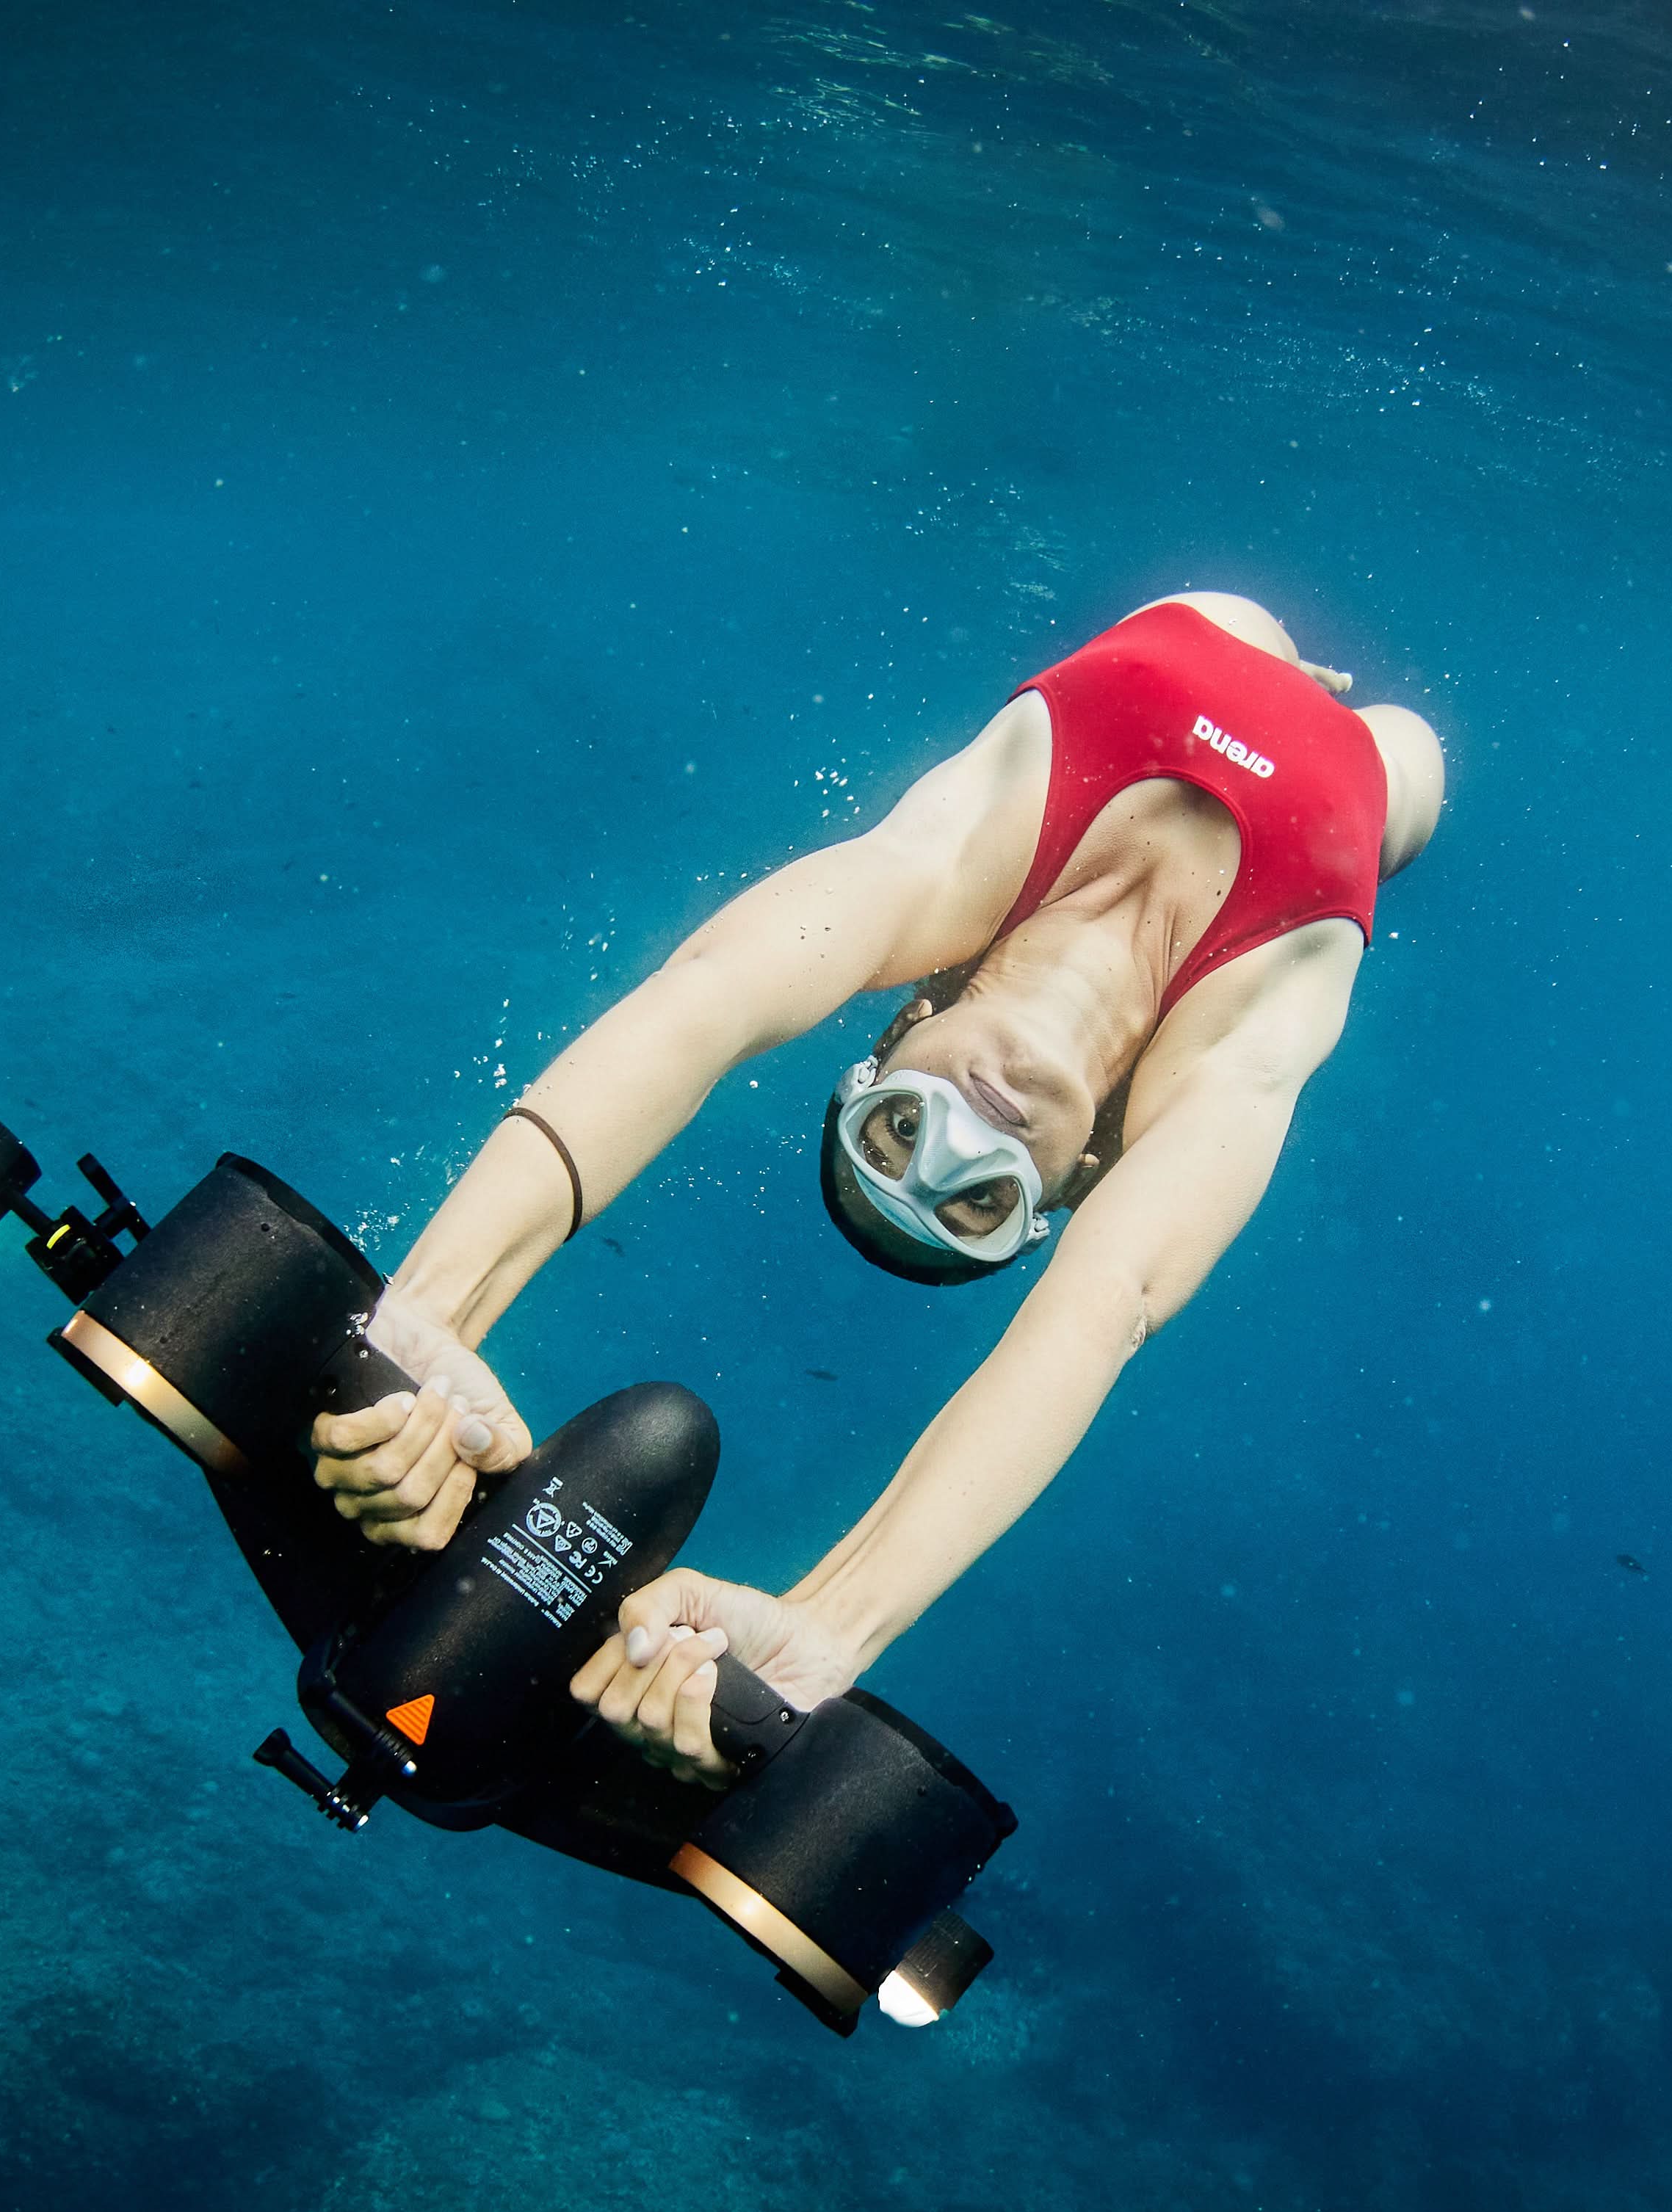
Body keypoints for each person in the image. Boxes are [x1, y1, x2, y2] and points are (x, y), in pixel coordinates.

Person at [308, 592, 1445, 1783]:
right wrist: (828, 1631)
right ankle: (1375, 742)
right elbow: (1106, 1308)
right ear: (1079, 1181)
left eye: (896, 1129)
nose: (957, 1144)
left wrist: (432, 1311)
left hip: (1198, 629)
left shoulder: (946, 873)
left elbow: (707, 1000)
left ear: (904, 1021)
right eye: (979, 1199)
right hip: (1362, 783)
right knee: (1412, 756)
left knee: (1239, 609)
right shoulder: (1231, 1057)